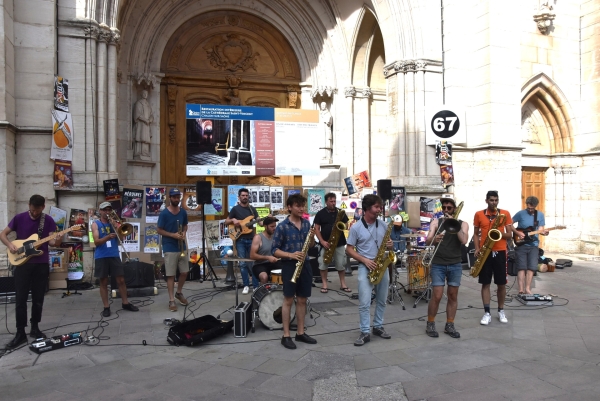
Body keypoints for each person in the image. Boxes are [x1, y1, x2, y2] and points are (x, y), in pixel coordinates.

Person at [0, 195, 62, 348]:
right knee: (20, 299)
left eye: (37, 210)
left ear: (43, 206)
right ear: (29, 205)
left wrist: (59, 238)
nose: (34, 213)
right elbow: (2, 234)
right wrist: (10, 245)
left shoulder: (47, 220)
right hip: (22, 263)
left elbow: (53, 243)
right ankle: (20, 332)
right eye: (32, 210)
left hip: (40, 264)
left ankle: (35, 327)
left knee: (38, 298)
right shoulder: (19, 218)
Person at [346, 194, 393, 346]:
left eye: (380, 207)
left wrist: (390, 246)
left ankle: (378, 326)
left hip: (381, 265)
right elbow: (349, 249)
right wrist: (364, 260)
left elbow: (387, 244)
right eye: (377, 207)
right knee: (364, 302)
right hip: (365, 266)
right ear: (367, 208)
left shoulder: (384, 225)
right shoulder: (356, 227)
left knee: (382, 300)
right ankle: (365, 331)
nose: (380, 210)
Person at [272, 194, 317, 349]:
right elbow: (274, 250)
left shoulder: (306, 224)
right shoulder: (282, 226)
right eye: (298, 206)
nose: (301, 208)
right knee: (288, 300)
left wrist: (312, 237)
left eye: (302, 206)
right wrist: (290, 255)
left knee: (302, 300)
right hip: (290, 265)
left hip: (305, 265)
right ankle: (286, 335)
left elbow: (311, 246)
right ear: (289, 207)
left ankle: (300, 333)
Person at [424, 198, 469, 338]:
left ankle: (450, 324)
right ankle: (430, 323)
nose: (446, 210)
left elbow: (464, 240)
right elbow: (427, 241)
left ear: (454, 209)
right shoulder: (436, 222)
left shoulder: (463, 224)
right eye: (444, 207)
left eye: (449, 208)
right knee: (437, 295)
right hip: (438, 263)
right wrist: (434, 239)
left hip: (455, 263)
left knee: (452, 295)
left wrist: (454, 225)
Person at [92, 202, 139, 317]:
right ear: (100, 211)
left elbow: (122, 238)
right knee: (103, 282)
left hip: (114, 254)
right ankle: (106, 307)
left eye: (109, 210)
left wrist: (116, 226)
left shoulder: (113, 223)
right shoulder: (95, 224)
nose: (107, 212)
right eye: (105, 210)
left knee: (121, 280)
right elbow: (96, 242)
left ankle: (125, 303)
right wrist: (107, 237)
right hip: (101, 256)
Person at [473, 190, 514, 325]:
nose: (494, 203)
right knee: (485, 283)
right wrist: (477, 248)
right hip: (485, 252)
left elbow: (510, 235)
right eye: (491, 200)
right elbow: (475, 234)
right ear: (486, 201)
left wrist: (497, 233)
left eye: (496, 200)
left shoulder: (504, 214)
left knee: (501, 284)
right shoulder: (479, 214)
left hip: (500, 251)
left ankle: (501, 310)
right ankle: (487, 312)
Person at [157, 188, 189, 312]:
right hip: (169, 246)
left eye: (178, 197)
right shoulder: (164, 213)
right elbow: (159, 230)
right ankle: (171, 300)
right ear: (170, 198)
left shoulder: (183, 212)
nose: (176, 199)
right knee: (170, 275)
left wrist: (184, 233)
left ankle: (179, 292)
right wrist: (173, 235)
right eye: (174, 197)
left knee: (184, 272)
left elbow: (185, 225)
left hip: (181, 246)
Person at [224, 188, 261, 294]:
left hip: (251, 239)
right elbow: (227, 221)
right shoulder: (235, 209)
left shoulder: (252, 209)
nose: (245, 197)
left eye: (246, 195)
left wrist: (267, 219)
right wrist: (233, 220)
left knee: (253, 263)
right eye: (243, 195)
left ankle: (255, 286)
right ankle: (245, 285)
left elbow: (260, 223)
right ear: (239, 197)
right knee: (243, 264)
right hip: (240, 239)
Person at [313, 193, 350, 293]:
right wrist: (322, 241)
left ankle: (343, 284)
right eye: (331, 201)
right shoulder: (320, 213)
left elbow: (346, 224)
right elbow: (316, 229)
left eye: (334, 201)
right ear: (326, 202)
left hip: (339, 242)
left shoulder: (340, 212)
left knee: (341, 264)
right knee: (323, 263)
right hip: (326, 243)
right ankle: (324, 284)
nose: (333, 203)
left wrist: (344, 226)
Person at [512, 196, 549, 295]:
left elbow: (541, 229)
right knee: (521, 267)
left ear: (535, 206)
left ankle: (527, 288)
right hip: (521, 244)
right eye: (528, 208)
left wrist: (544, 233)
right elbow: (509, 224)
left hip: (534, 245)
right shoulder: (520, 213)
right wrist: (517, 232)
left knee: (532, 267)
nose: (530, 210)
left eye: (532, 208)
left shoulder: (540, 215)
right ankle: (521, 289)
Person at [250, 217, 280, 285]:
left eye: (275, 226)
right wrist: (268, 257)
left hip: (274, 263)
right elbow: (252, 255)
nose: (274, 228)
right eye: (272, 226)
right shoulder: (258, 237)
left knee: (288, 271)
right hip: (260, 264)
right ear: (265, 226)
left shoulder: (275, 237)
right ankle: (264, 293)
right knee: (264, 277)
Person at [133, 89, 154, 160]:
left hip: (147, 124)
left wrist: (150, 120)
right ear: (141, 94)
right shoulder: (139, 103)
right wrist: (145, 120)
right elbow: (138, 114)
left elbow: (151, 114)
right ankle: (139, 152)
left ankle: (145, 152)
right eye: (144, 93)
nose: (145, 94)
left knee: (146, 138)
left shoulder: (148, 105)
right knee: (140, 136)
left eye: (146, 93)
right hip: (141, 124)